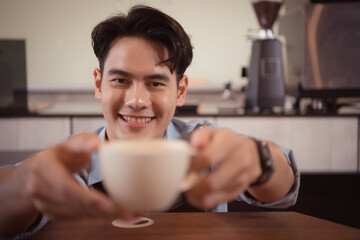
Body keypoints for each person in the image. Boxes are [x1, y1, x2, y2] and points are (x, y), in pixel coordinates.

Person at [0, 5, 300, 239]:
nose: (137, 101)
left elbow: (284, 194)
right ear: (98, 84)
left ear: (180, 91)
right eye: (120, 80)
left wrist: (260, 160)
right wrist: (27, 185)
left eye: (156, 83)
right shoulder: (72, 162)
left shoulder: (203, 144)